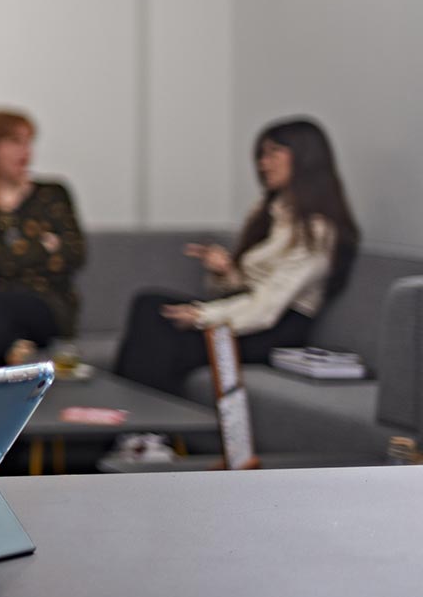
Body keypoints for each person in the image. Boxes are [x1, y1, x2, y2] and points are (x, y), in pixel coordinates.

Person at [113, 118, 360, 396]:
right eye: (261, 155)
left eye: (273, 154)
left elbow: (269, 305)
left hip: (275, 329)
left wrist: (203, 315)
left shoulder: (318, 231)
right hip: (245, 314)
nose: (263, 164)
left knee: (163, 338)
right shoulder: (270, 212)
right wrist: (224, 271)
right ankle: (134, 427)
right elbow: (246, 286)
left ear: (304, 158)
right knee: (149, 305)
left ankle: (139, 430)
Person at [0, 110, 87, 368]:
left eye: (28, 141)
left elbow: (74, 255)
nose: (26, 152)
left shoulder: (52, 195)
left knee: (6, 308)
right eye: (14, 141)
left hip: (43, 303)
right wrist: (42, 246)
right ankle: (12, 354)